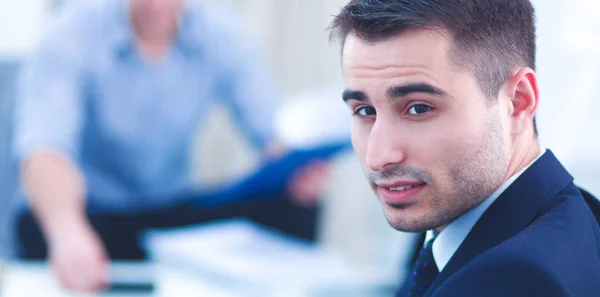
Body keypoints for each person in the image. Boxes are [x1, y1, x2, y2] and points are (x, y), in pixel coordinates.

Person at [13, 0, 327, 292]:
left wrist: (298, 168)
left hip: (172, 216)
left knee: (292, 190)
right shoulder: (70, 32)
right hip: (92, 218)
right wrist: (67, 230)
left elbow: (270, 134)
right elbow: (44, 149)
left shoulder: (223, 33)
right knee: (40, 222)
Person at [328, 0, 600, 296]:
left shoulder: (512, 281)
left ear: (518, 101)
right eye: (365, 111)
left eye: (419, 108)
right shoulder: (567, 211)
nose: (378, 157)